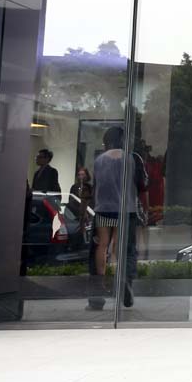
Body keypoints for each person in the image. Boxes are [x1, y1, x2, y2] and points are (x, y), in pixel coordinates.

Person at [87, 127, 146, 310]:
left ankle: (98, 287)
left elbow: (95, 186)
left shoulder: (99, 160)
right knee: (123, 248)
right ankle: (124, 280)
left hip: (103, 209)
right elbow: (142, 185)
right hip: (125, 210)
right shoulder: (132, 158)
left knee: (101, 246)